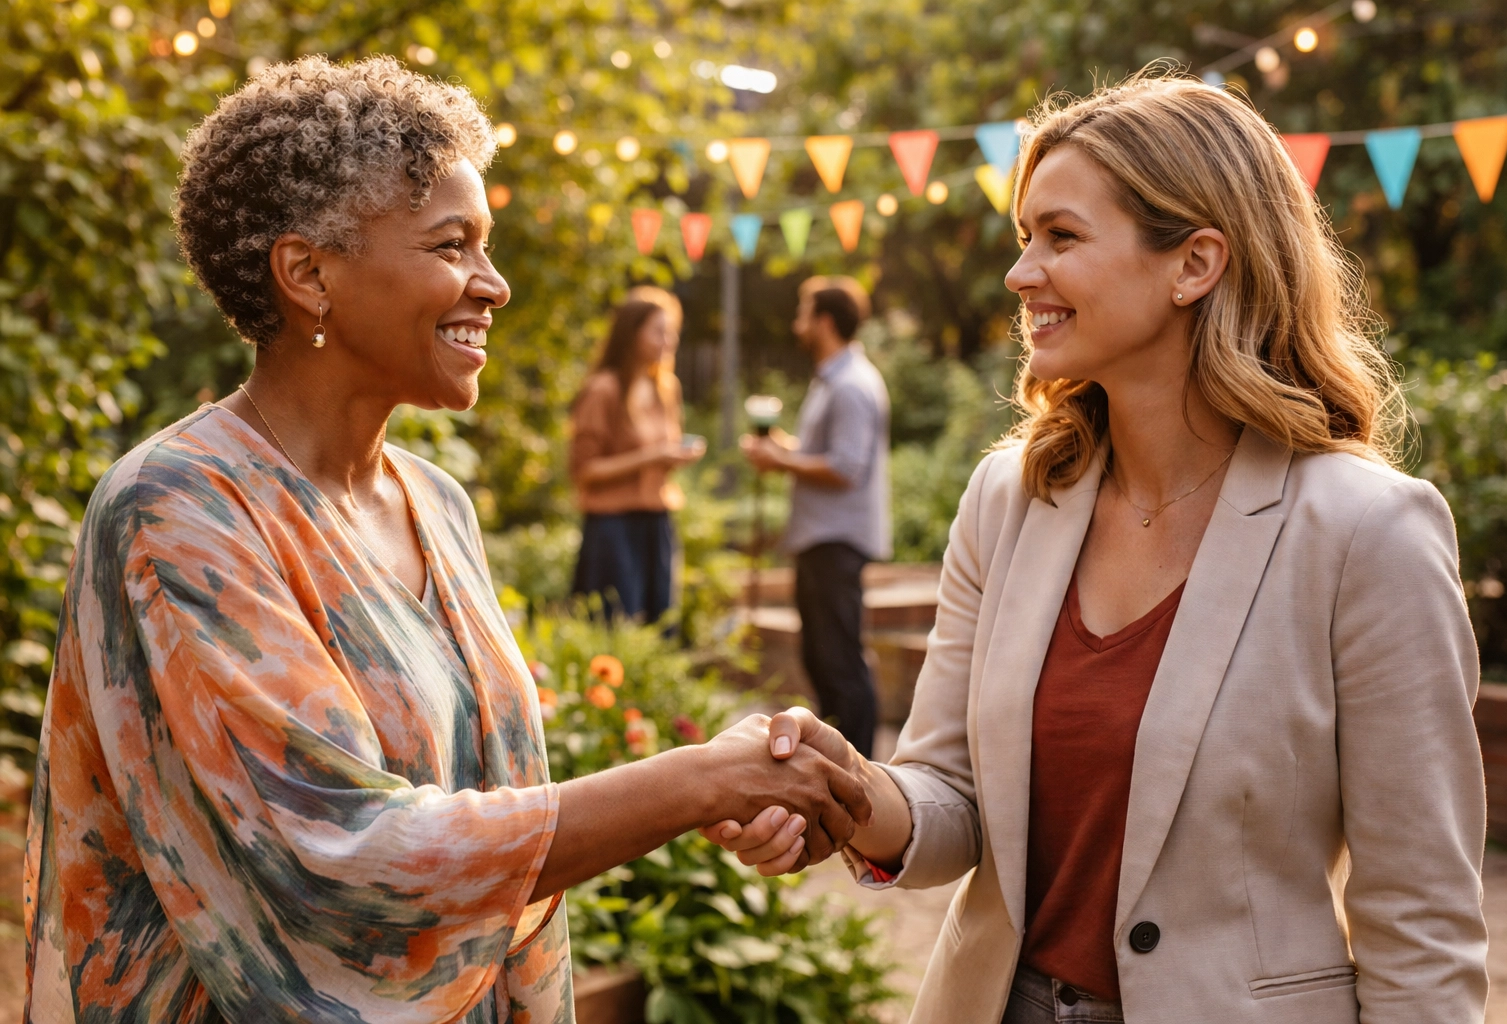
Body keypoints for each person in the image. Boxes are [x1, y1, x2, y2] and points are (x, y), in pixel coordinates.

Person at [23, 56, 869, 1023]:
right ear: (307, 274)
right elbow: (342, 858)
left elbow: (490, 798)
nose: (493, 284)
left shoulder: (436, 502)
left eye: (486, 245)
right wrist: (697, 777)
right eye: (451, 244)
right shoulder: (177, 510)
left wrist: (699, 793)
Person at [708, 72, 1488, 1023]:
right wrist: (842, 786)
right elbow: (949, 797)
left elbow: (1423, 923)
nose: (1020, 272)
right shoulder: (1010, 497)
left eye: (1062, 237)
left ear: (1194, 264)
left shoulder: (1370, 532)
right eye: (1024, 237)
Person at [741, 277, 891, 758]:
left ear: (825, 322)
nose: (797, 324)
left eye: (804, 313)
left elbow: (847, 467)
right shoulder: (833, 379)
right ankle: (839, 759)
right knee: (822, 657)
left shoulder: (850, 385)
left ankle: (860, 769)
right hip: (820, 538)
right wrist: (783, 450)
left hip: (836, 540)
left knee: (839, 659)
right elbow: (823, 455)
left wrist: (780, 460)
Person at [569, 293, 703, 622]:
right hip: (612, 526)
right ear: (632, 334)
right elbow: (583, 470)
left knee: (660, 622)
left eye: (671, 331)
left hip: (657, 521)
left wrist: (674, 457)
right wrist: (651, 457)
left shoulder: (666, 388)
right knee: (616, 622)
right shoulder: (604, 390)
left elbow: (661, 454)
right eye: (658, 331)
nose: (668, 340)